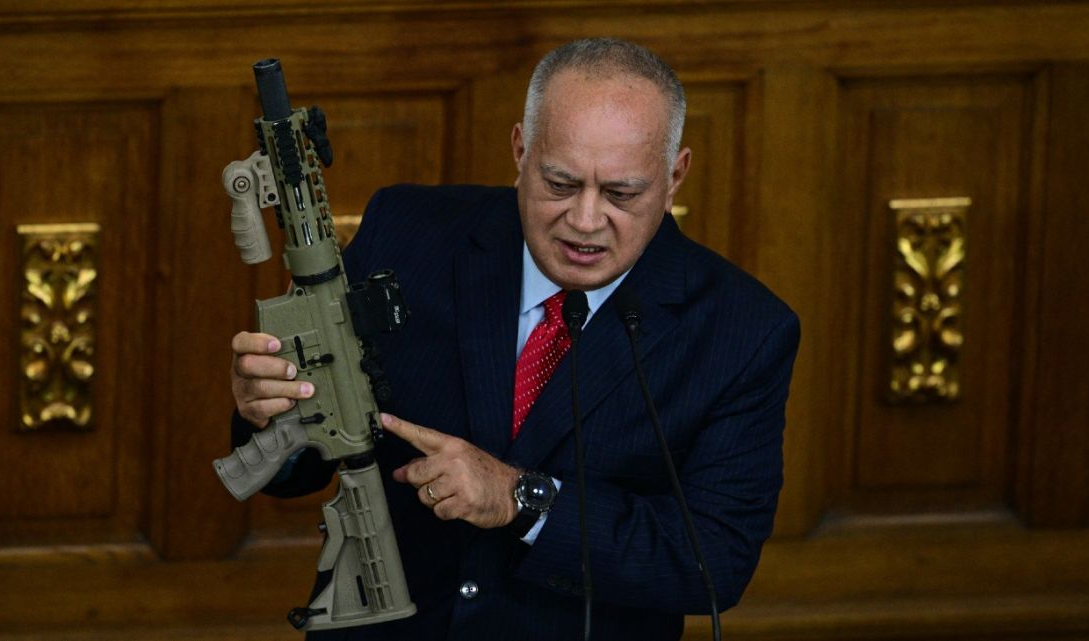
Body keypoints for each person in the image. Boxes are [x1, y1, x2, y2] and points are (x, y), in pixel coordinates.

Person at [229, 37, 799, 641]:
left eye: (622, 194)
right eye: (559, 183)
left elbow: (711, 564)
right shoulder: (406, 233)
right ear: (521, 151)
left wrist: (521, 498)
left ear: (675, 174)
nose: (584, 220)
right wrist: (272, 414)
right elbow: (300, 467)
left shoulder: (744, 331)